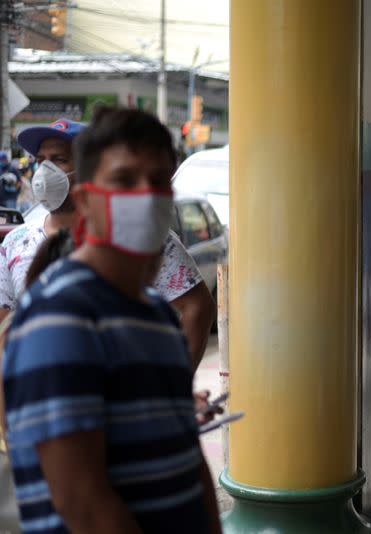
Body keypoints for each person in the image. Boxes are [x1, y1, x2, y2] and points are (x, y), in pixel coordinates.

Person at [2, 107, 222, 534]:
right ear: (85, 201)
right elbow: (81, 502)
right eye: (124, 181)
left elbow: (189, 462)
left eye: (158, 182)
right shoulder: (58, 316)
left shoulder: (157, 315)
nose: (145, 196)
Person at [0, 118, 215, 369]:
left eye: (59, 160)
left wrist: (174, 385)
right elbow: (3, 329)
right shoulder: (15, 243)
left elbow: (197, 306)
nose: (44, 172)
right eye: (41, 160)